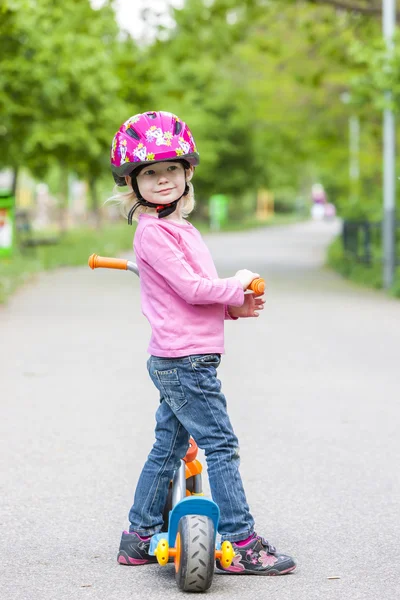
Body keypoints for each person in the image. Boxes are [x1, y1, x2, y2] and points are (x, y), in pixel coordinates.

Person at [109, 111, 296, 576]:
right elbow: (194, 289)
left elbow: (193, 290)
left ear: (187, 172)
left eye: (170, 169)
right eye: (149, 173)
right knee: (221, 445)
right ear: (133, 184)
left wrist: (233, 306)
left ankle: (138, 535)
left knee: (168, 448)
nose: (162, 180)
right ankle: (242, 539)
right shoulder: (152, 233)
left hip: (185, 357)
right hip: (184, 362)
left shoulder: (181, 229)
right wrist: (236, 285)